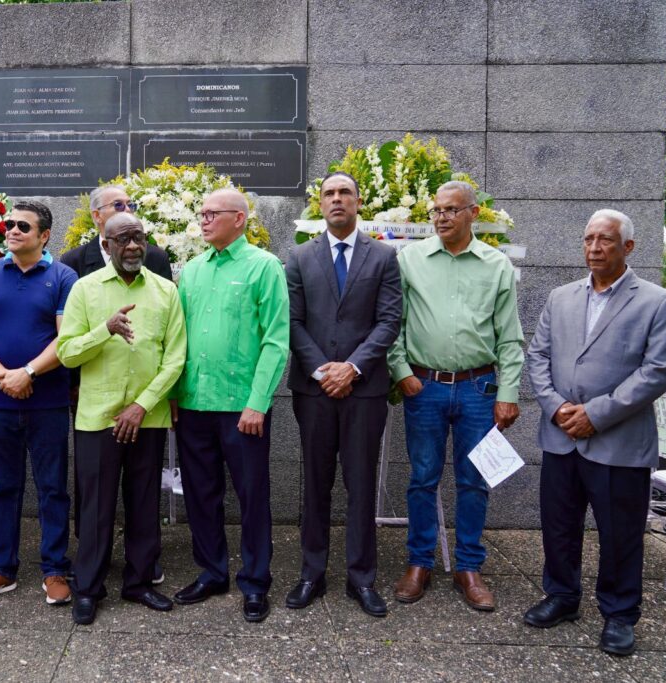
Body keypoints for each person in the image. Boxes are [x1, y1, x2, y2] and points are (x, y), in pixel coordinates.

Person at [525, 209, 666, 656]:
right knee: (558, 525)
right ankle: (562, 595)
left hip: (618, 440)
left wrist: (596, 414)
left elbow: (657, 372)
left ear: (628, 247)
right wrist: (556, 408)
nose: (594, 248)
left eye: (605, 240)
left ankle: (620, 613)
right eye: (589, 239)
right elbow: (538, 356)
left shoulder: (657, 302)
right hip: (561, 436)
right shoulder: (561, 297)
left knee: (620, 533)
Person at [387, 180, 523, 612]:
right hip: (423, 387)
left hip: (479, 389)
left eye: (451, 210)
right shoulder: (410, 260)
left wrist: (508, 392)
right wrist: (401, 372)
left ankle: (468, 567)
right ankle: (419, 563)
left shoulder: (496, 265)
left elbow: (509, 337)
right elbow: (393, 324)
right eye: (436, 210)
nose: (441, 217)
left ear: (474, 213)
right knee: (422, 477)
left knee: (474, 480)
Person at [58, 213, 187, 625]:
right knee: (96, 506)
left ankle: (139, 582)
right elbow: (66, 353)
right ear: (106, 244)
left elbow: (175, 358)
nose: (132, 246)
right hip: (99, 418)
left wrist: (142, 405)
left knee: (144, 502)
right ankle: (88, 588)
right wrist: (105, 330)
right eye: (123, 239)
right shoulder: (85, 289)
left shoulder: (166, 291)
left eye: (139, 237)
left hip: (146, 416)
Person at [284, 172, 402, 616]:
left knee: (361, 483)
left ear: (358, 201)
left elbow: (389, 321)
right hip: (313, 391)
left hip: (363, 390)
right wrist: (322, 370)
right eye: (329, 193)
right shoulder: (299, 256)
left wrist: (351, 368)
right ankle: (311, 574)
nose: (337, 199)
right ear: (320, 203)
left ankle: (361, 578)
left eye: (345, 193)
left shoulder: (383, 256)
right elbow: (292, 321)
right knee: (315, 483)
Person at [172, 188, 289, 623]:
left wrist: (258, 402)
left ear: (239, 218)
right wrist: (174, 395)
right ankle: (212, 571)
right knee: (200, 494)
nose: (203, 220)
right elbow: (178, 337)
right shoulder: (192, 270)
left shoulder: (264, 266)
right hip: (194, 402)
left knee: (252, 495)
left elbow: (276, 340)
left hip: (243, 408)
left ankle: (255, 581)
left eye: (212, 213)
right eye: (200, 213)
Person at [0, 200, 76, 607]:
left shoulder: (63, 277)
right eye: (9, 223)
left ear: (44, 235)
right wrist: (3, 376)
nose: (12, 230)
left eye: (22, 226)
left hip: (48, 401)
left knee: (52, 487)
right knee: (4, 487)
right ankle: (2, 569)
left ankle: (55, 568)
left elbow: (66, 338)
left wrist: (27, 372)